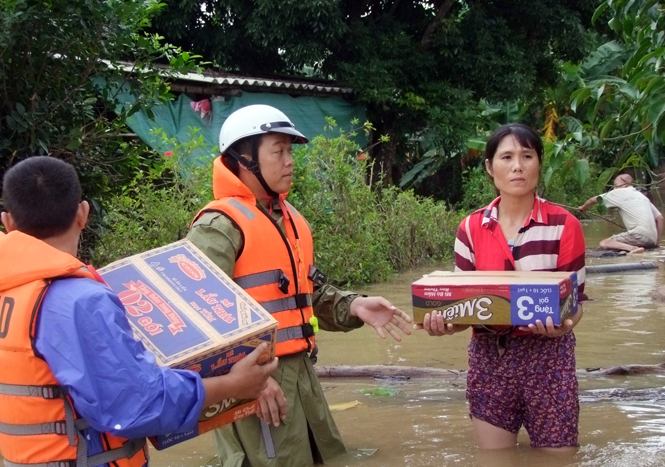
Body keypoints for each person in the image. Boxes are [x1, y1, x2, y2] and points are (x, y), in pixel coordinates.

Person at [0, 156, 277, 467]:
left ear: (8, 223)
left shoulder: (11, 290)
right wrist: (232, 385)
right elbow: (134, 404)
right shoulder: (79, 301)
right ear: (83, 214)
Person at [186, 104, 412, 466]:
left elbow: (304, 291)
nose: (290, 161)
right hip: (255, 382)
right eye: (279, 151)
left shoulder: (289, 220)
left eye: (290, 150)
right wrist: (247, 383)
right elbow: (195, 313)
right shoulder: (218, 226)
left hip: (301, 378)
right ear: (244, 158)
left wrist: (354, 306)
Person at [416, 124, 586, 451]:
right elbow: (463, 304)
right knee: (495, 458)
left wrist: (561, 328)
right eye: (506, 157)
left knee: (559, 457)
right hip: (489, 357)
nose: (517, 166)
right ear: (490, 167)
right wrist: (443, 324)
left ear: (539, 163)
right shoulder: (470, 228)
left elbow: (576, 304)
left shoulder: (565, 225)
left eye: (527, 156)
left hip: (549, 359)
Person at [579, 174, 663, 253]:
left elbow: (594, 200)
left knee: (605, 243)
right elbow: (660, 218)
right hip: (652, 239)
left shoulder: (620, 192)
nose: (614, 188)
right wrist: (657, 241)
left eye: (615, 185)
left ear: (625, 184)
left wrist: (583, 207)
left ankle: (633, 249)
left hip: (639, 235)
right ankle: (636, 248)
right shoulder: (642, 197)